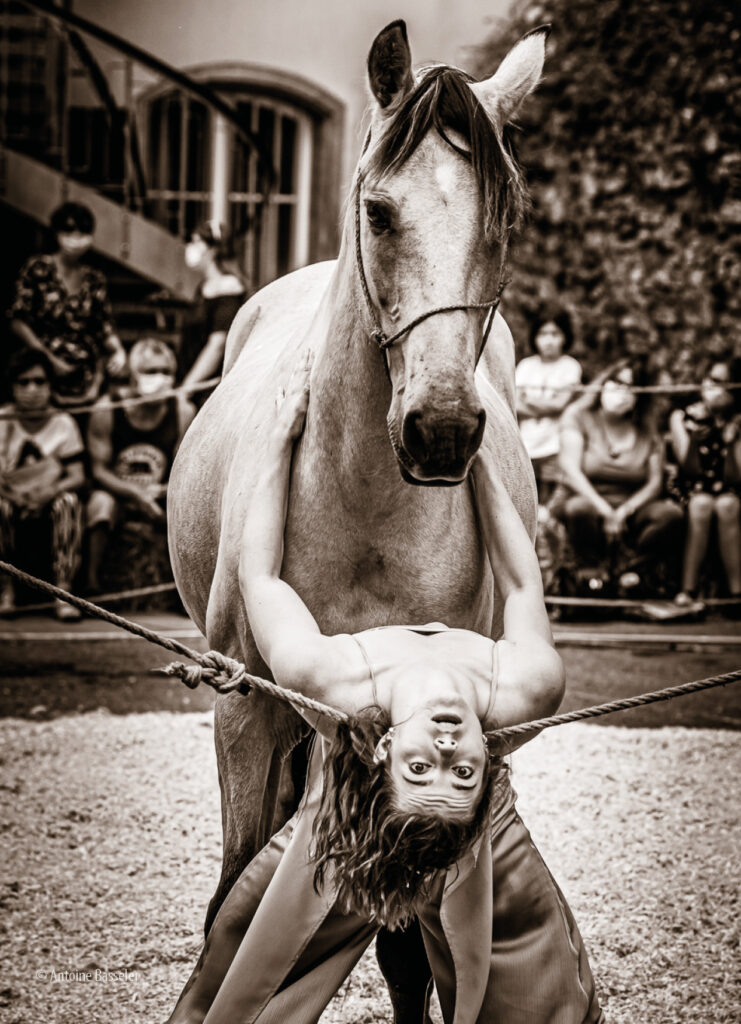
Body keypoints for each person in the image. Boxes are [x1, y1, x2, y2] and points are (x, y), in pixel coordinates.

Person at [166, 352, 604, 1024]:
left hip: (344, 781)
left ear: (387, 750)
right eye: (464, 772)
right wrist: (481, 461)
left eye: (424, 765)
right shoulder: (526, 688)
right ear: (490, 765)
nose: (451, 746)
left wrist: (279, 442)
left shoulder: (333, 678)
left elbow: (262, 580)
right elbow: (520, 583)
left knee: (266, 934)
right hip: (436, 794)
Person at [557, 357, 683, 593]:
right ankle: (591, 574)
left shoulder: (647, 428)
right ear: (605, 382)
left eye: (630, 387)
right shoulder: (578, 415)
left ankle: (632, 571)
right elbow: (570, 469)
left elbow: (655, 482)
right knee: (579, 509)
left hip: (633, 505)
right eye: (616, 382)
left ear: (639, 397)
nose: (620, 392)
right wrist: (604, 509)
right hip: (587, 499)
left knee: (670, 515)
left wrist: (624, 511)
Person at [85, 338, 195, 593]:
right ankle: (91, 585)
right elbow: (98, 470)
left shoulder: (182, 411)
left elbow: (185, 470)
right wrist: (134, 494)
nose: (160, 378)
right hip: (115, 492)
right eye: (150, 371)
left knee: (186, 507)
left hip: (160, 492)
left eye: (166, 372)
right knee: (100, 505)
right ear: (132, 376)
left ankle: (181, 591)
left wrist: (162, 491)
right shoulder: (107, 408)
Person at [8, 202, 127, 409]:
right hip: (42, 374)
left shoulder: (93, 278)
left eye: (83, 232)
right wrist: (49, 359)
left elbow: (103, 326)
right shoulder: (38, 269)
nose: (76, 239)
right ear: (57, 233)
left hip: (87, 378)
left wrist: (118, 351)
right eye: (70, 231)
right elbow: (18, 321)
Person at [0, 349, 84, 619]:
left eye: (39, 381)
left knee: (68, 503)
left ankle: (63, 590)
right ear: (12, 387)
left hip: (49, 497)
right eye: (23, 382)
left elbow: (77, 475)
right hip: (11, 497)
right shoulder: (2, 421)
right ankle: (5, 589)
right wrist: (15, 497)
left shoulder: (63, 424)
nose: (32, 389)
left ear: (50, 386)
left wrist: (48, 493)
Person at [670, 358, 741, 605]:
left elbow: (736, 476)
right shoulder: (683, 416)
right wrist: (696, 437)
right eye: (710, 378)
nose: (711, 385)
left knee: (726, 505)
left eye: (720, 382)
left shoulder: (738, 421)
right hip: (691, 488)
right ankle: (687, 590)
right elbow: (688, 470)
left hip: (729, 490)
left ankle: (735, 593)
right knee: (701, 504)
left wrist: (731, 441)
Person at [515, 306, 581, 506]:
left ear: (565, 336)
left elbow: (560, 404)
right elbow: (514, 404)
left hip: (554, 447)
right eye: (543, 334)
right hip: (525, 446)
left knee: (548, 504)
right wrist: (548, 404)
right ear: (535, 337)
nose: (549, 340)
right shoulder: (525, 366)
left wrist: (529, 400)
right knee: (524, 500)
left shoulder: (570, 366)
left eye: (555, 334)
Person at [179, 221, 246, 402]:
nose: (190, 247)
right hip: (195, 387)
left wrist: (187, 388)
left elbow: (217, 345)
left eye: (196, 241)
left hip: (209, 394)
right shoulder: (204, 287)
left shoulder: (228, 287)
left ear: (213, 250)